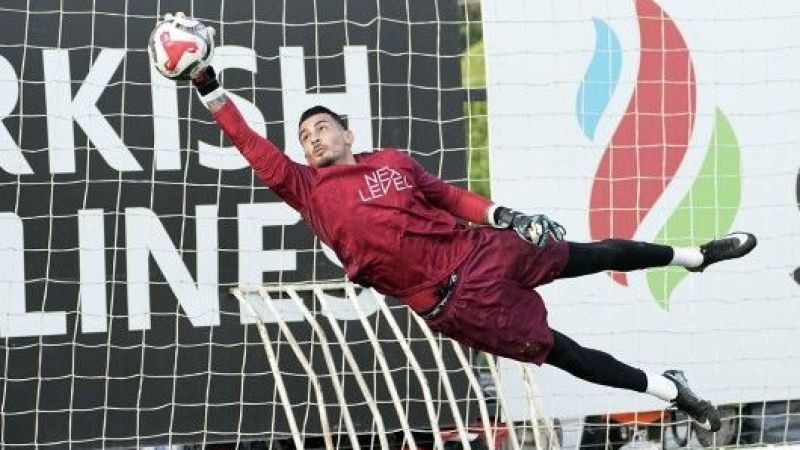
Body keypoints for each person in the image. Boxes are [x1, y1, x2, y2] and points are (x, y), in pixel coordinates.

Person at [161, 16, 757, 433]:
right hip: (459, 305)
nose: (312, 138)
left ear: (347, 133)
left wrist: (507, 215)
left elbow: (450, 197)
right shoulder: (307, 190)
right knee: (566, 354)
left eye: (322, 128)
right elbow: (249, 142)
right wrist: (206, 84)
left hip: (483, 250)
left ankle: (695, 256)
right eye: (304, 136)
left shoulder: (392, 162)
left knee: (594, 254)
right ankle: (672, 391)